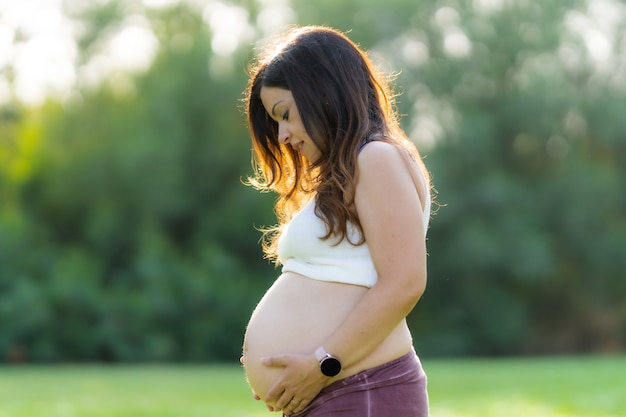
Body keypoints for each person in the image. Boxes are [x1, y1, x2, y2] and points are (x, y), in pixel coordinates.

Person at [241, 25, 432, 417]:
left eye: (285, 114)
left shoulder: (376, 158)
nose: (282, 135)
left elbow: (405, 282)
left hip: (362, 389)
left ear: (324, 91)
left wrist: (321, 364)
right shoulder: (352, 170)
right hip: (339, 390)